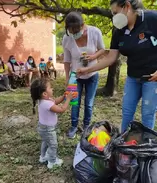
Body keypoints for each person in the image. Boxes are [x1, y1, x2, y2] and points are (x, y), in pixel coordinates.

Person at [77, 0, 157, 132]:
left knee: (147, 115)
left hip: (152, 78)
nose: (114, 17)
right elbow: (111, 57)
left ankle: (145, 147)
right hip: (132, 78)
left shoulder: (152, 19)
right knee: (126, 112)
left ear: (127, 6)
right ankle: (123, 143)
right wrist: (87, 70)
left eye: (115, 12)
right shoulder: (119, 30)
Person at [63, 11, 105, 138]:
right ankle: (74, 126)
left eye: (77, 30)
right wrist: (67, 78)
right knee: (74, 103)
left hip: (92, 75)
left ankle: (86, 126)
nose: (75, 34)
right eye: (71, 31)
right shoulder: (67, 38)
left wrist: (93, 57)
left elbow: (102, 49)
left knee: (89, 103)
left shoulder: (95, 32)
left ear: (83, 25)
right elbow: (66, 60)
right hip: (74, 76)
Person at [30, 78, 73, 169]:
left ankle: (43, 157)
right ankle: (52, 162)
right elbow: (61, 110)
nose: (52, 89)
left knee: (45, 142)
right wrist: (68, 99)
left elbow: (55, 101)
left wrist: (63, 96)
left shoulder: (44, 100)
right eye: (50, 88)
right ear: (44, 93)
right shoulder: (47, 104)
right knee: (53, 145)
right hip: (48, 129)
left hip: (42, 128)